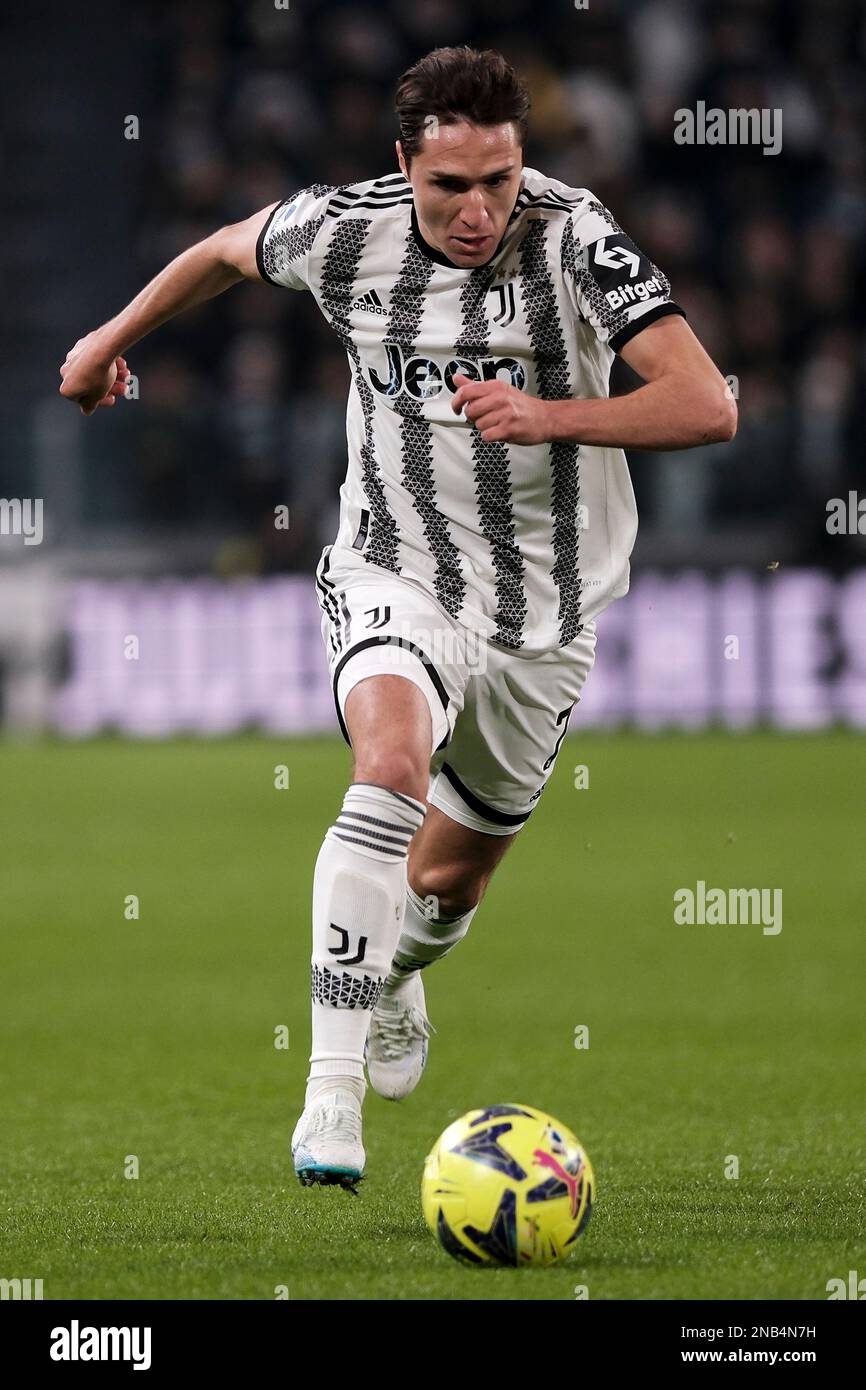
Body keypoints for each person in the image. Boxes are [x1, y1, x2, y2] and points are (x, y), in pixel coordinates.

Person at [59, 45, 736, 1192]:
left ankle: (395, 968)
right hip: (394, 565)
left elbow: (705, 401)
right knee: (387, 763)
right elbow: (224, 250)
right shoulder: (340, 230)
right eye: (449, 186)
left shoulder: (577, 238)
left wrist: (550, 413)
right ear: (401, 167)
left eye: (499, 180)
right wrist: (110, 341)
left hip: (546, 609)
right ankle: (328, 1100)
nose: (478, 211)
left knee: (450, 882)